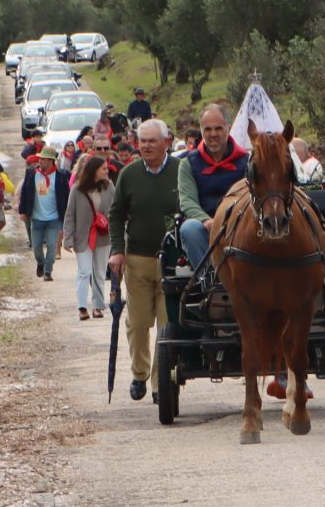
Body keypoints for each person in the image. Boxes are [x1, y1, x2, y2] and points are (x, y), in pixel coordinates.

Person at [106, 119, 184, 400]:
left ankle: (159, 385)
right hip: (137, 260)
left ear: (166, 142)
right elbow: (115, 215)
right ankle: (139, 374)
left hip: (173, 263)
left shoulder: (181, 171)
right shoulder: (129, 174)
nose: (146, 146)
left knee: (166, 326)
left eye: (152, 141)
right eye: (143, 141)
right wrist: (117, 249)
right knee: (138, 323)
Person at [169, 101, 250, 277]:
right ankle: (208, 279)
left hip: (238, 225)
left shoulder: (246, 161)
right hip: (204, 226)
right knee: (189, 228)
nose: (213, 134)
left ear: (228, 128)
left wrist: (229, 222)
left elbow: (249, 197)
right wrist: (207, 221)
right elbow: (187, 200)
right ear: (201, 130)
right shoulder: (188, 163)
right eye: (207, 129)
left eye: (218, 128)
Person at [66, 152, 113, 321]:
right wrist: (68, 238)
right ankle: (82, 307)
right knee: (84, 272)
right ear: (94, 170)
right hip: (83, 236)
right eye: (103, 169)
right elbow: (70, 214)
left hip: (103, 235)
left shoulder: (109, 187)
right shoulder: (77, 189)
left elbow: (115, 211)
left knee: (99, 272)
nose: (106, 172)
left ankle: (98, 306)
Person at [18, 148, 67, 281]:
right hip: (36, 218)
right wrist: (22, 211)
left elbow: (65, 197)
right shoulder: (32, 173)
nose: (41, 161)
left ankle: (48, 271)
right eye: (40, 158)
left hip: (54, 218)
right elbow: (25, 192)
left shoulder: (61, 176)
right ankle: (40, 262)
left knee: (52, 246)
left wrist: (66, 217)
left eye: (44, 159)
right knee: (36, 248)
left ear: (51, 161)